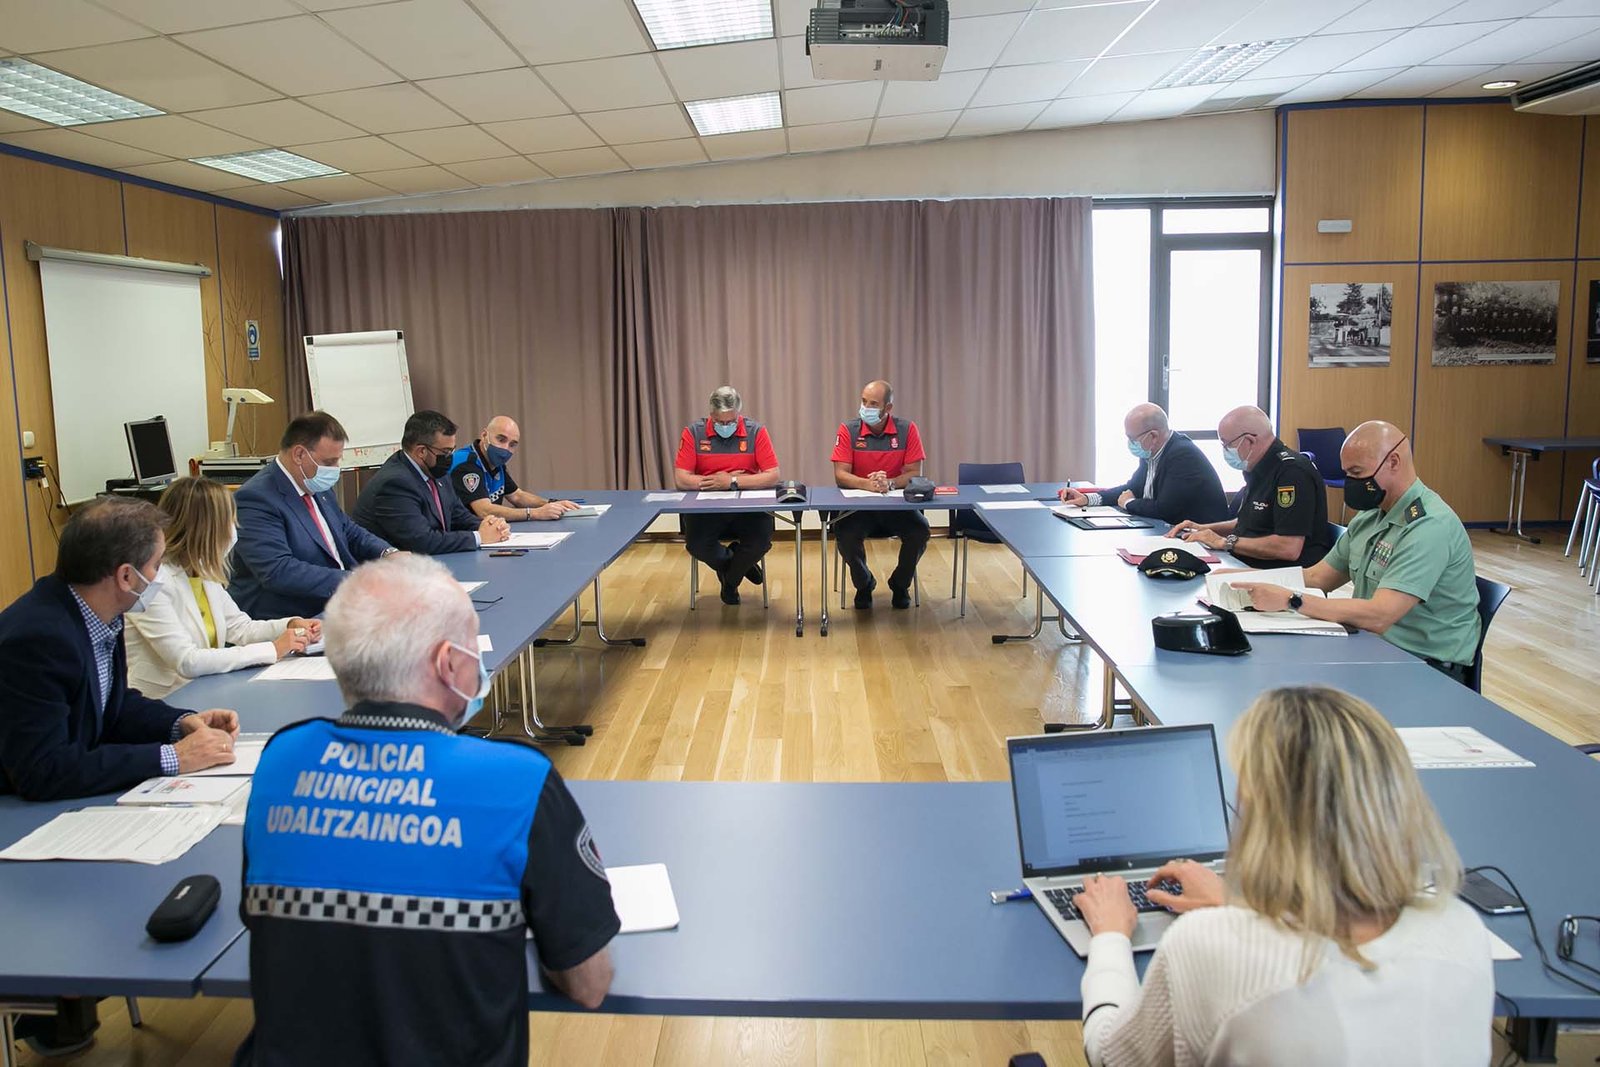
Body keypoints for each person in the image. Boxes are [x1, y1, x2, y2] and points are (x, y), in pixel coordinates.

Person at [237, 555, 618, 1066]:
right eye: (472, 646)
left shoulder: (281, 759)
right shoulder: (517, 781)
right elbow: (589, 983)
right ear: (447, 663)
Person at [1074, 686, 1492, 1066]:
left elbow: (1112, 1057)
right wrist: (1236, 906)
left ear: (1263, 816)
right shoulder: (1461, 930)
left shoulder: (1208, 946)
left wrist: (1110, 936)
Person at [0, 495, 240, 800]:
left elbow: (111, 706)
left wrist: (179, 723)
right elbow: (43, 769)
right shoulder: (39, 640)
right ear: (126, 576)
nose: (161, 577)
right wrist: (173, 757)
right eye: (156, 565)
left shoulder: (99, 613)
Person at [1230, 422, 1481, 684]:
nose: (1351, 482)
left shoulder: (1428, 527)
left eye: (1357, 472)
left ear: (1393, 462)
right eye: (1347, 473)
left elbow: (1380, 615)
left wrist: (1292, 600)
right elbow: (1318, 577)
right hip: (1373, 647)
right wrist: (1245, 577)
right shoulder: (1370, 517)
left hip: (1424, 667)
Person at [126, 477, 322, 698]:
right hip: (164, 700)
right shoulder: (152, 583)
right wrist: (274, 649)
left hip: (205, 690)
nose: (234, 530)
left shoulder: (201, 571)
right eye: (229, 522)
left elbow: (240, 628)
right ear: (206, 529)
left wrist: (289, 625)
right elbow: (186, 660)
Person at [230, 411, 395, 619]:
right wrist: (354, 580)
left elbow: (347, 529)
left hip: (339, 600)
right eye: (328, 462)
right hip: (294, 615)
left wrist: (387, 553)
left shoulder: (314, 483)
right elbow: (278, 571)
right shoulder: (255, 499)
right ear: (299, 454)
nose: (335, 469)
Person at [1165, 405, 1332, 569]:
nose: (1225, 450)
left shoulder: (1292, 473)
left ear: (1250, 440)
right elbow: (1250, 522)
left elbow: (1288, 548)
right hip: (1249, 563)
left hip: (1282, 572)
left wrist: (1225, 542)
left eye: (1227, 444)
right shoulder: (1258, 468)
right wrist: (1202, 529)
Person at [672, 385, 783, 605]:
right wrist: (717, 483)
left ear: (738, 414)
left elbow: (773, 475)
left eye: (730, 421)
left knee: (760, 542)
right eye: (719, 422)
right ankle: (738, 564)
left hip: (748, 507)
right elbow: (682, 478)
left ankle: (730, 581)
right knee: (697, 545)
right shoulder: (693, 433)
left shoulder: (756, 432)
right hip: (706, 507)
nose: (725, 427)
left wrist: (732, 481)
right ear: (710, 415)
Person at [352, 410, 510, 554]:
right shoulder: (395, 483)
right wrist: (479, 537)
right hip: (391, 570)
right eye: (446, 452)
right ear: (421, 451)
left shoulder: (436, 471)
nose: (450, 457)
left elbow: (458, 515)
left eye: (452, 450)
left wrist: (489, 525)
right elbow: (421, 541)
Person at [830, 380, 929, 609]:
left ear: (888, 408)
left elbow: (915, 472)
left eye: (873, 404)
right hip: (859, 509)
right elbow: (840, 474)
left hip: (896, 506)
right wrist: (868, 484)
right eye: (864, 401)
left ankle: (900, 584)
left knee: (920, 531)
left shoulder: (907, 429)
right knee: (845, 535)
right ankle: (864, 584)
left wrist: (890, 483)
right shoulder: (848, 430)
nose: (866, 407)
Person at [1058, 403, 1228, 525]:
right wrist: (1088, 499)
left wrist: (1128, 503)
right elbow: (1131, 489)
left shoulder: (1182, 455)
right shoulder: (1151, 452)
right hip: (1170, 530)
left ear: (1153, 436)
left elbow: (1164, 509)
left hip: (1202, 538)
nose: (1130, 443)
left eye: (1132, 438)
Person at [449, 415, 580, 523]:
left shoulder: (495, 462)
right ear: (484, 435)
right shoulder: (466, 464)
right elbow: (484, 511)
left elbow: (517, 496)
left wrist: (552, 504)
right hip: (462, 536)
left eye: (512, 444)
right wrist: (535, 513)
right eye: (501, 439)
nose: (505, 448)